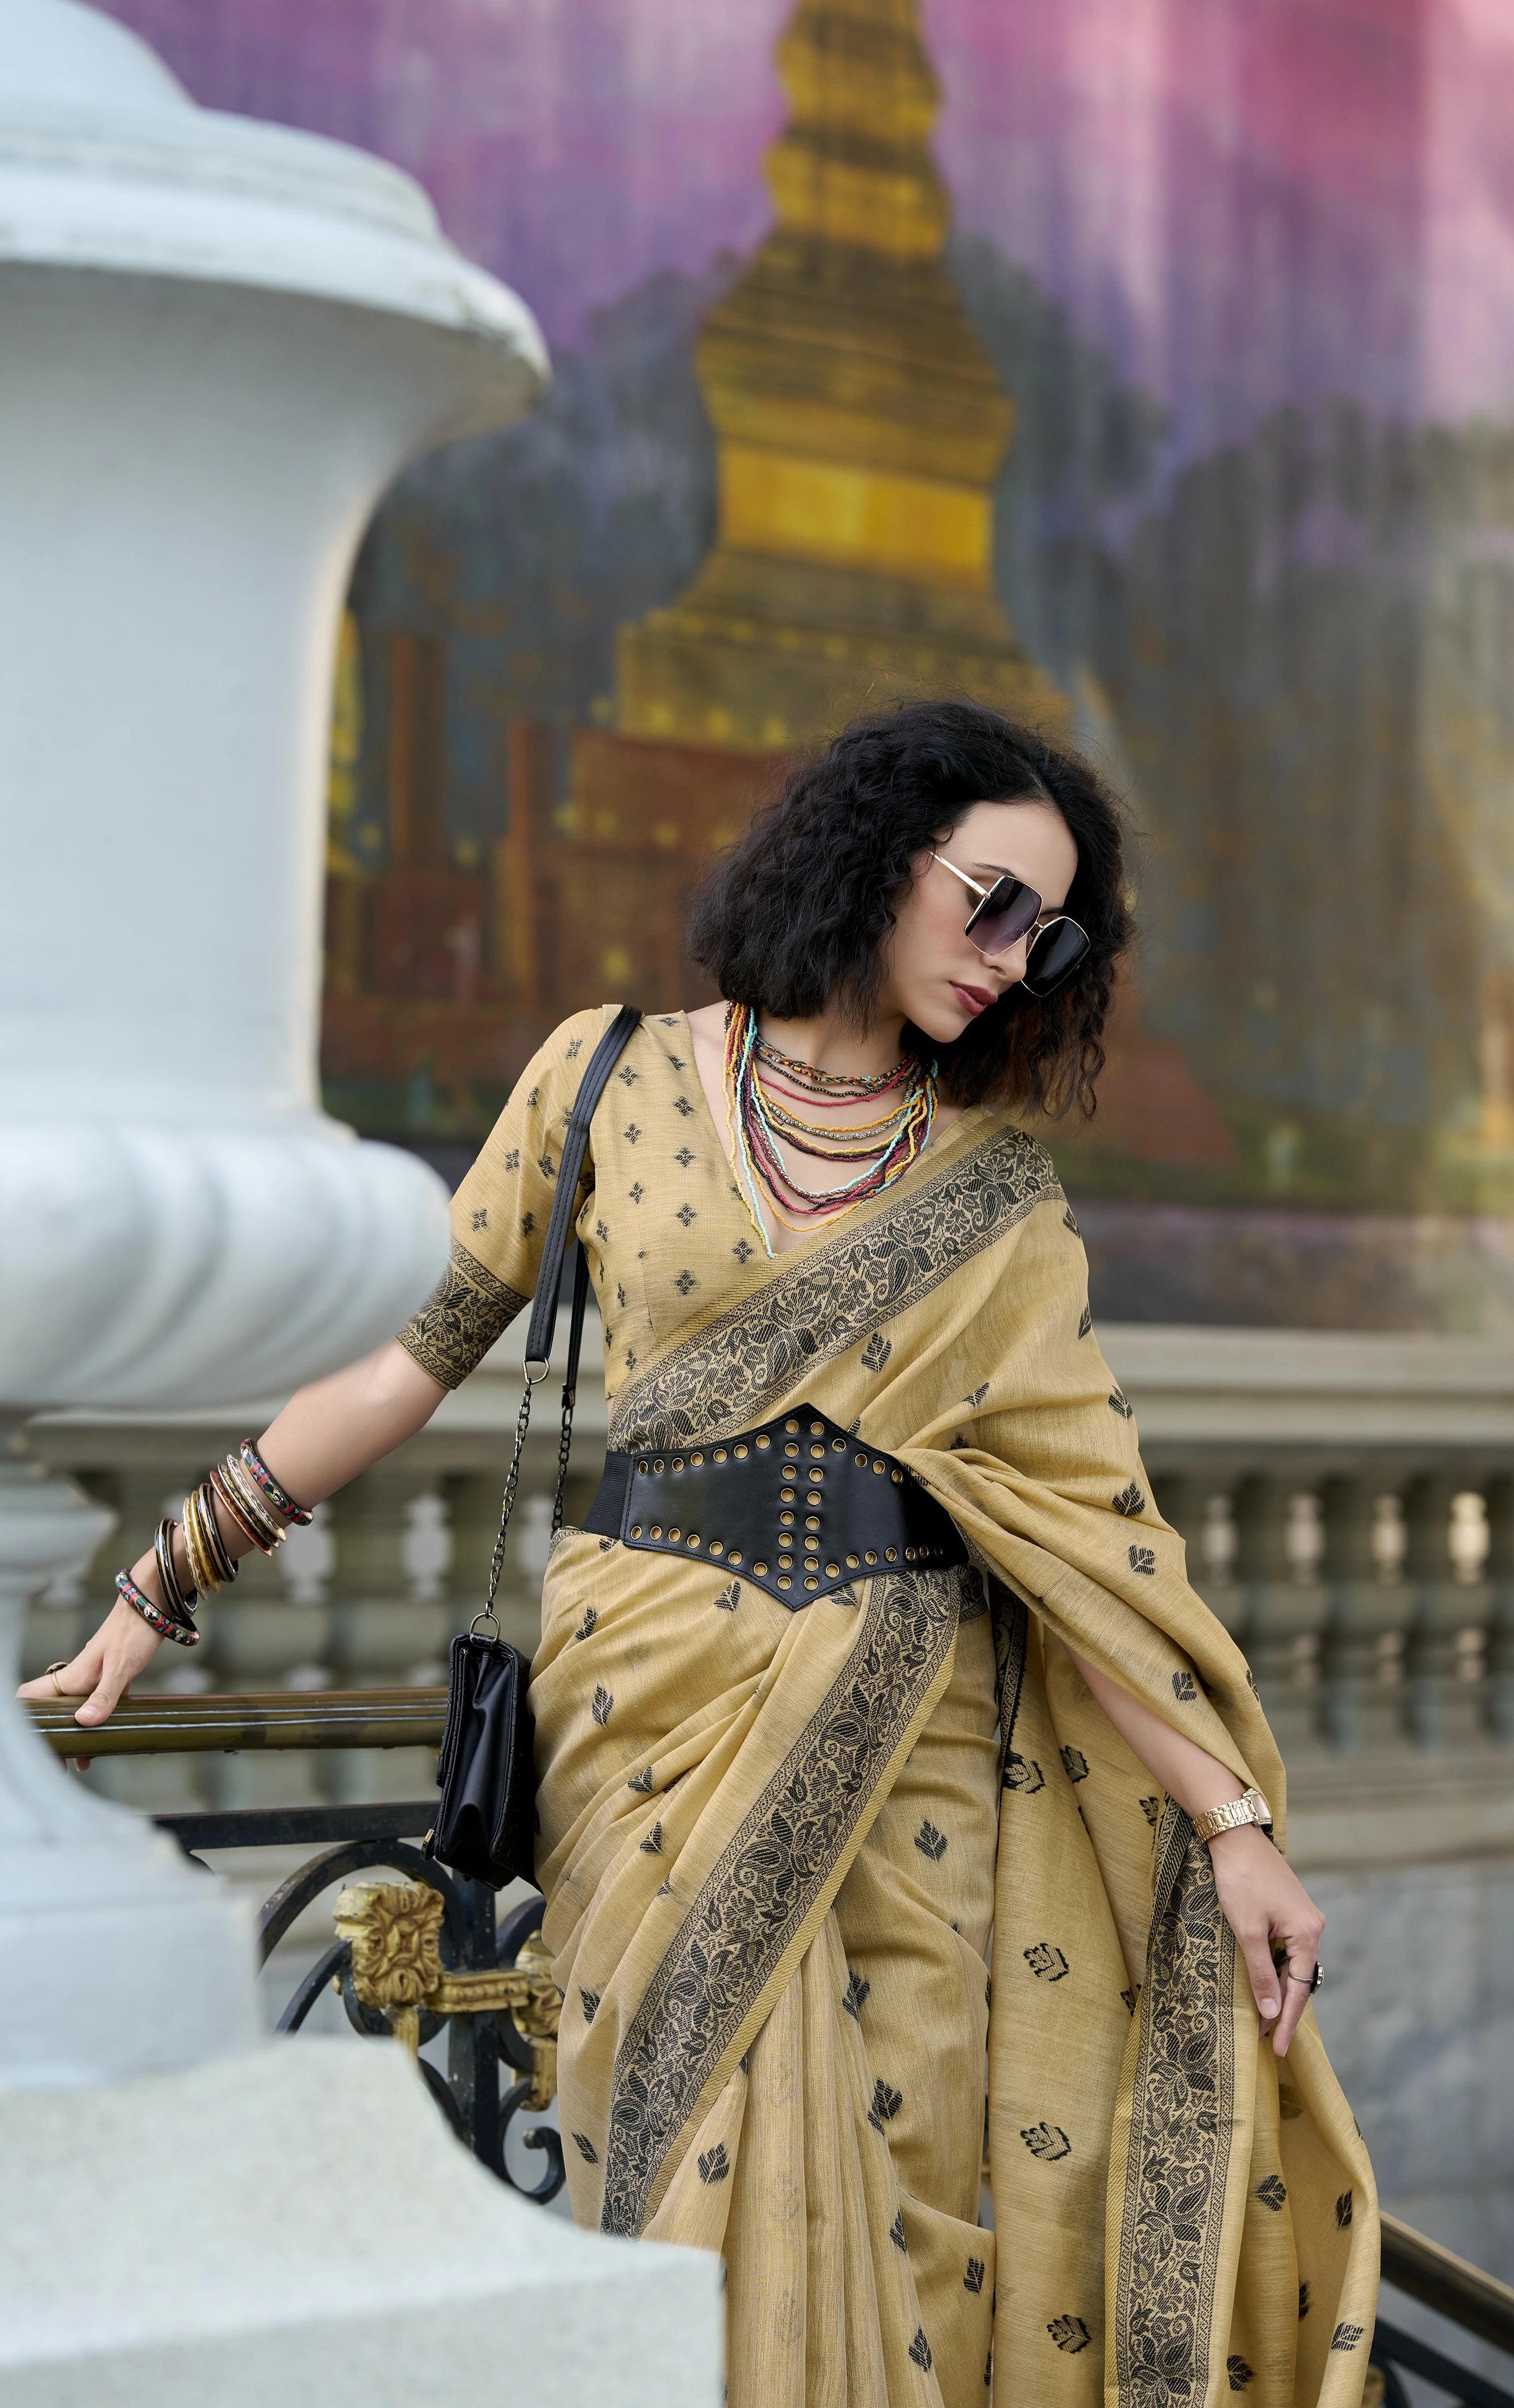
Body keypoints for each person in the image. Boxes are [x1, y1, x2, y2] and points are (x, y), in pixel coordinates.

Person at [25, 699, 1378, 2408]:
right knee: (670, 2183)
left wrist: (1230, 1823)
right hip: (648, 1719)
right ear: (878, 859)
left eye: (1052, 936)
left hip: (915, 1755)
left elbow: (1077, 1540)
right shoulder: (611, 1075)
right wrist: (164, 1581)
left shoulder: (996, 1202)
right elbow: (409, 1355)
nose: (1013, 959)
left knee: (905, 2208)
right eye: (989, 903)